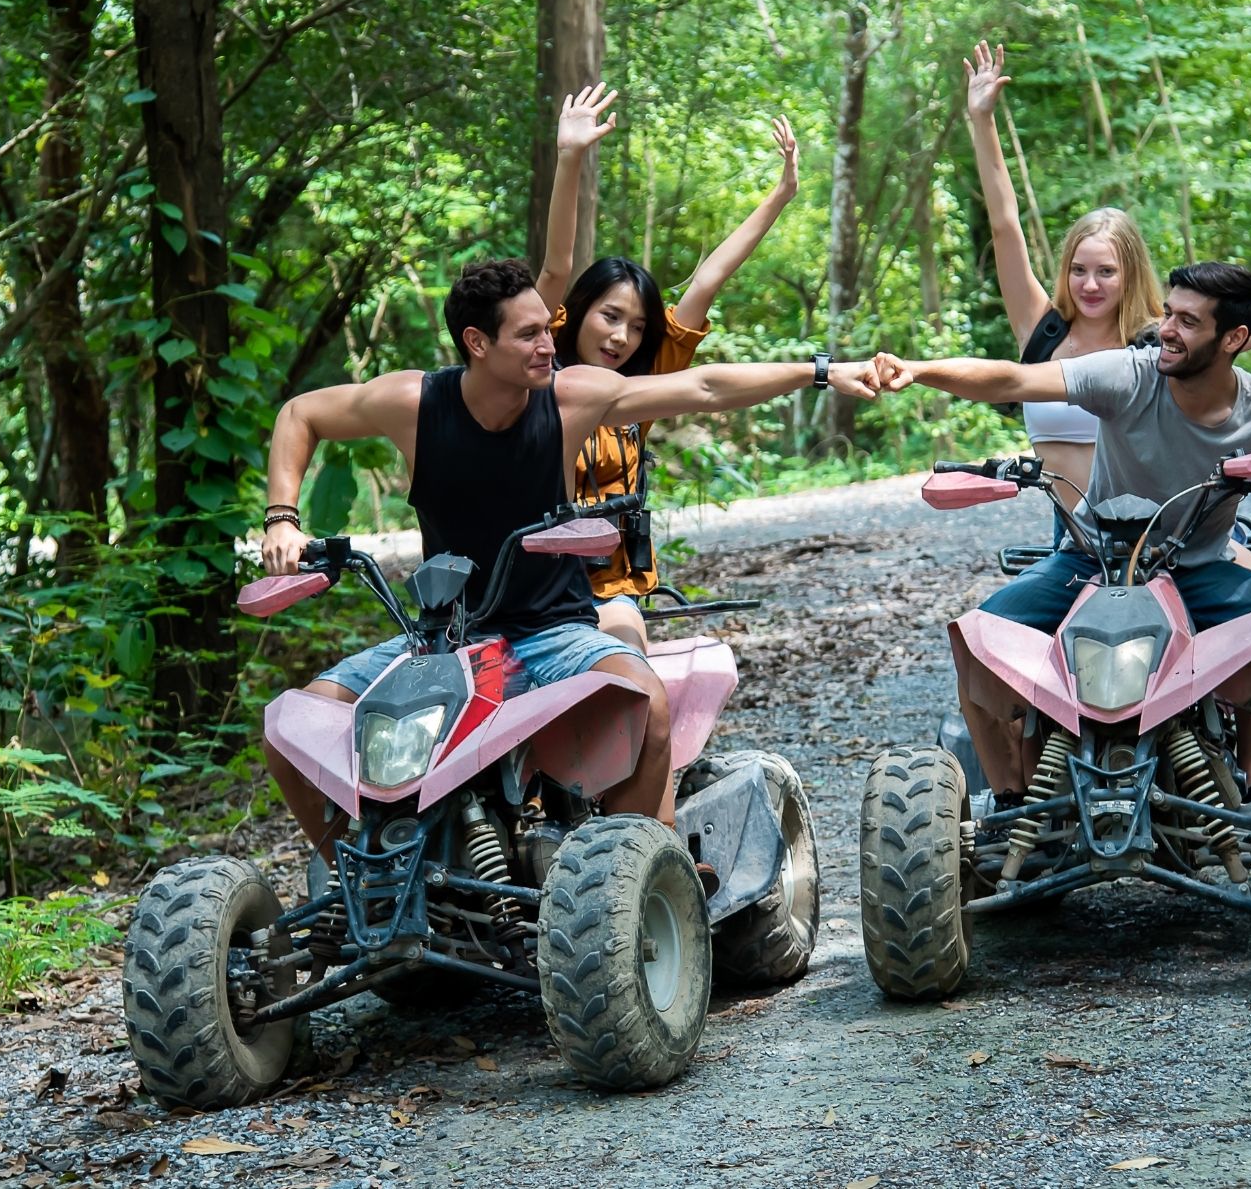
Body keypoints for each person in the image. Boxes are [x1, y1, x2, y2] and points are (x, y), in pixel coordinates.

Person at [260, 254, 880, 863]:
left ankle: (642, 872)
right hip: (445, 641)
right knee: (297, 727)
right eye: (529, 334)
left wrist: (822, 371)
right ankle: (357, 869)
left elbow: (704, 386)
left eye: (546, 330)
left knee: (645, 697)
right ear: (477, 342)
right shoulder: (414, 404)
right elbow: (299, 413)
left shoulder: (568, 399)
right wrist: (282, 518)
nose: (548, 346)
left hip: (552, 632)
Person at [875, 260, 1251, 796]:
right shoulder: (1130, 374)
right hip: (1091, 561)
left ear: (1234, 338)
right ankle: (1008, 805)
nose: (1166, 329)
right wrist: (921, 370)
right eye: (1168, 314)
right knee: (978, 640)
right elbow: (1016, 378)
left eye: (1188, 322)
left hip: (1199, 567)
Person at [960, 41, 1251, 538]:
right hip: (1081, 541)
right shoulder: (1040, 331)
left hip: (1176, 534)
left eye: (1106, 271)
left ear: (1131, 272)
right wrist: (982, 120)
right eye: (1079, 270)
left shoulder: (1161, 342)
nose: (1090, 284)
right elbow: (1005, 226)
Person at [538, 117, 802, 652]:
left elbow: (708, 281)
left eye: (637, 327)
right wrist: (570, 158)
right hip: (532, 587)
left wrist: (782, 194)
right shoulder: (535, 366)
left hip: (612, 589)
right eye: (610, 317)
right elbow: (554, 269)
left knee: (624, 661)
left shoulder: (643, 388)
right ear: (580, 310)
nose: (622, 337)